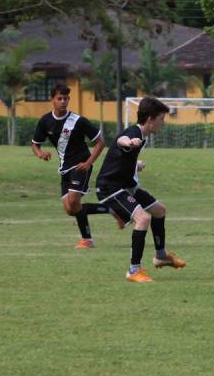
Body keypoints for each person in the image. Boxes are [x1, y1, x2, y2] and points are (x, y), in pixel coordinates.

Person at [95, 97, 186, 282]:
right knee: (143, 219)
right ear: (150, 119)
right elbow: (121, 140)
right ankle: (134, 270)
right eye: (161, 118)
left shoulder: (142, 137)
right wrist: (129, 143)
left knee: (159, 210)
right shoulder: (134, 132)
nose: (163, 123)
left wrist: (135, 164)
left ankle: (161, 256)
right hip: (110, 188)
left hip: (127, 186)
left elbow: (120, 158)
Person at [31, 83, 112, 248]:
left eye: (66, 98)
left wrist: (89, 163)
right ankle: (110, 208)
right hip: (64, 168)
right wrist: (40, 154)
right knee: (70, 209)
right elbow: (35, 144)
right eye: (59, 98)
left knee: (74, 200)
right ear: (52, 99)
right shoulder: (45, 121)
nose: (62, 101)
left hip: (81, 165)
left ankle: (87, 240)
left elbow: (100, 143)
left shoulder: (78, 121)